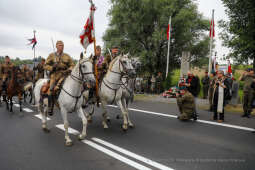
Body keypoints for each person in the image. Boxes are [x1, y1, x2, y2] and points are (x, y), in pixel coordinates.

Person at [44, 40, 74, 114]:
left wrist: (69, 69)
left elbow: (72, 65)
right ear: (56, 46)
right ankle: (50, 107)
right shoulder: (51, 55)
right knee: (51, 89)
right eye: (60, 45)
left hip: (65, 74)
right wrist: (52, 68)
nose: (61, 47)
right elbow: (45, 65)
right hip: (55, 75)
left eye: (62, 45)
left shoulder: (67, 56)